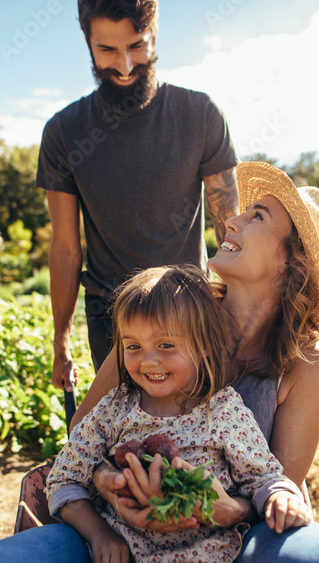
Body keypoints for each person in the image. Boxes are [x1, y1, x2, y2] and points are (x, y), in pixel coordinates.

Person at [0, 162, 319, 562]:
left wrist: (222, 510)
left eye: (256, 217)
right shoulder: (170, 307)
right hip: (116, 529)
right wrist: (112, 489)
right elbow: (85, 432)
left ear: (291, 260)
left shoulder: (310, 361)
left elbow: (277, 488)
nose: (232, 221)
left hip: (228, 542)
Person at [45, 265, 311, 563]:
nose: (148, 361)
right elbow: (63, 478)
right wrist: (99, 535)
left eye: (166, 345)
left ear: (205, 346)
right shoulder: (114, 409)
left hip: (209, 555)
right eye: (133, 346)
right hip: (125, 552)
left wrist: (280, 496)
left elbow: (261, 478)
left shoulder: (223, 411)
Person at [40, 0, 240, 393]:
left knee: (195, 443)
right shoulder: (64, 132)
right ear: (86, 40)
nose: (125, 66)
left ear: (155, 32)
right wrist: (60, 341)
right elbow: (65, 249)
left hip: (189, 311)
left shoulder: (199, 114)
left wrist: (241, 313)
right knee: (125, 445)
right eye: (107, 50)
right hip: (111, 320)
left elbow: (229, 228)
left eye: (137, 45)